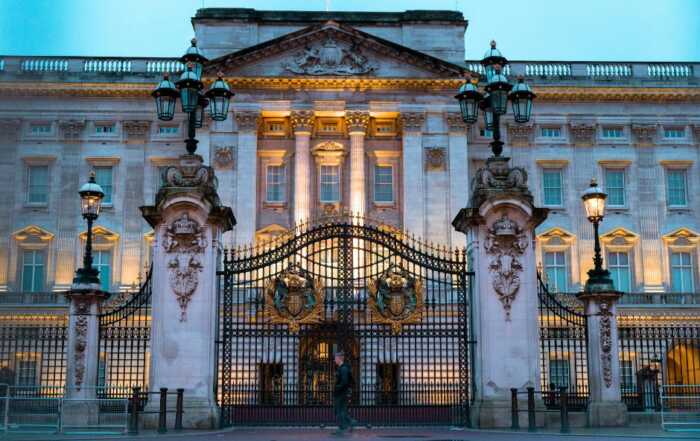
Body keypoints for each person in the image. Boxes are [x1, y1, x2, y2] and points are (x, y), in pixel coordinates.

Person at [332, 351, 354, 436]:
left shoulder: (344, 368)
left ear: (339, 358)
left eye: (335, 358)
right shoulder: (341, 368)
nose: (334, 360)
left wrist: (337, 388)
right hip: (341, 393)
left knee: (338, 410)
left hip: (341, 393)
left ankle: (342, 428)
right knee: (341, 410)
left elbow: (344, 382)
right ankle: (350, 422)